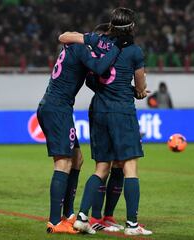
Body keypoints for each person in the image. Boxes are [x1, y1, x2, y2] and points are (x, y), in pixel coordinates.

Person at [59, 8, 152, 236]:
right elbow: (140, 87)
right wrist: (139, 91)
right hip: (121, 111)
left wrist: (89, 38)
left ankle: (82, 217)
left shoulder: (98, 41)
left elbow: (65, 37)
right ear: (131, 27)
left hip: (99, 110)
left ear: (111, 25)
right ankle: (132, 225)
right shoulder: (134, 52)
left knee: (101, 167)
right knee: (130, 167)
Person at [37, 32, 132, 234]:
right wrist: (115, 48)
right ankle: (55, 221)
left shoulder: (75, 49)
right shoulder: (81, 48)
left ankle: (69, 214)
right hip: (57, 109)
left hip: (58, 108)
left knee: (77, 159)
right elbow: (99, 67)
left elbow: (94, 78)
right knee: (63, 164)